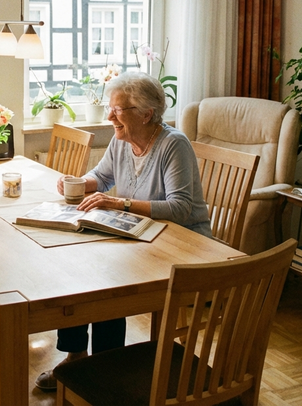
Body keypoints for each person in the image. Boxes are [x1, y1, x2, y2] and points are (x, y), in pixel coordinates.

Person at [34, 71, 212, 391]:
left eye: (118, 109)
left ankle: (105, 360)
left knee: (107, 275)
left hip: (183, 242)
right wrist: (77, 182)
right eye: (110, 107)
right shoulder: (122, 141)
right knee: (79, 265)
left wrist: (119, 204)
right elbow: (100, 178)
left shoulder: (174, 144)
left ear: (146, 113)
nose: (109, 115)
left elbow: (181, 208)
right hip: (139, 235)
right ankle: (79, 355)